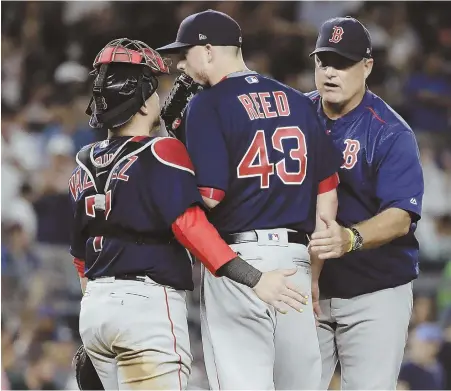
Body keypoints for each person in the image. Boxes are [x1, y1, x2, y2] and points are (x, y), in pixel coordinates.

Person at [69, 38, 308, 390]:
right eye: (153, 90)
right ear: (141, 100)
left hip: (95, 311)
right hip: (145, 308)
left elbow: (79, 258)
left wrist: (102, 313)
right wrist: (255, 278)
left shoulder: (82, 162)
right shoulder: (164, 150)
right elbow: (191, 227)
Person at [157, 10, 343, 390]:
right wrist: (313, 273)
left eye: (185, 52)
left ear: (208, 51)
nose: (180, 63)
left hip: (240, 266)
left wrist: (173, 176)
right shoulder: (298, 102)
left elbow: (209, 197)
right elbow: (327, 196)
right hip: (295, 261)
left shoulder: (207, 104)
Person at [306, 16, 424, 389]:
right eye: (324, 62)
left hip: (375, 290)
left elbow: (401, 216)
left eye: (342, 63)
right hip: (308, 287)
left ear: (367, 66)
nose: (330, 72)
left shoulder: (389, 131)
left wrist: (350, 238)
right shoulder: (296, 115)